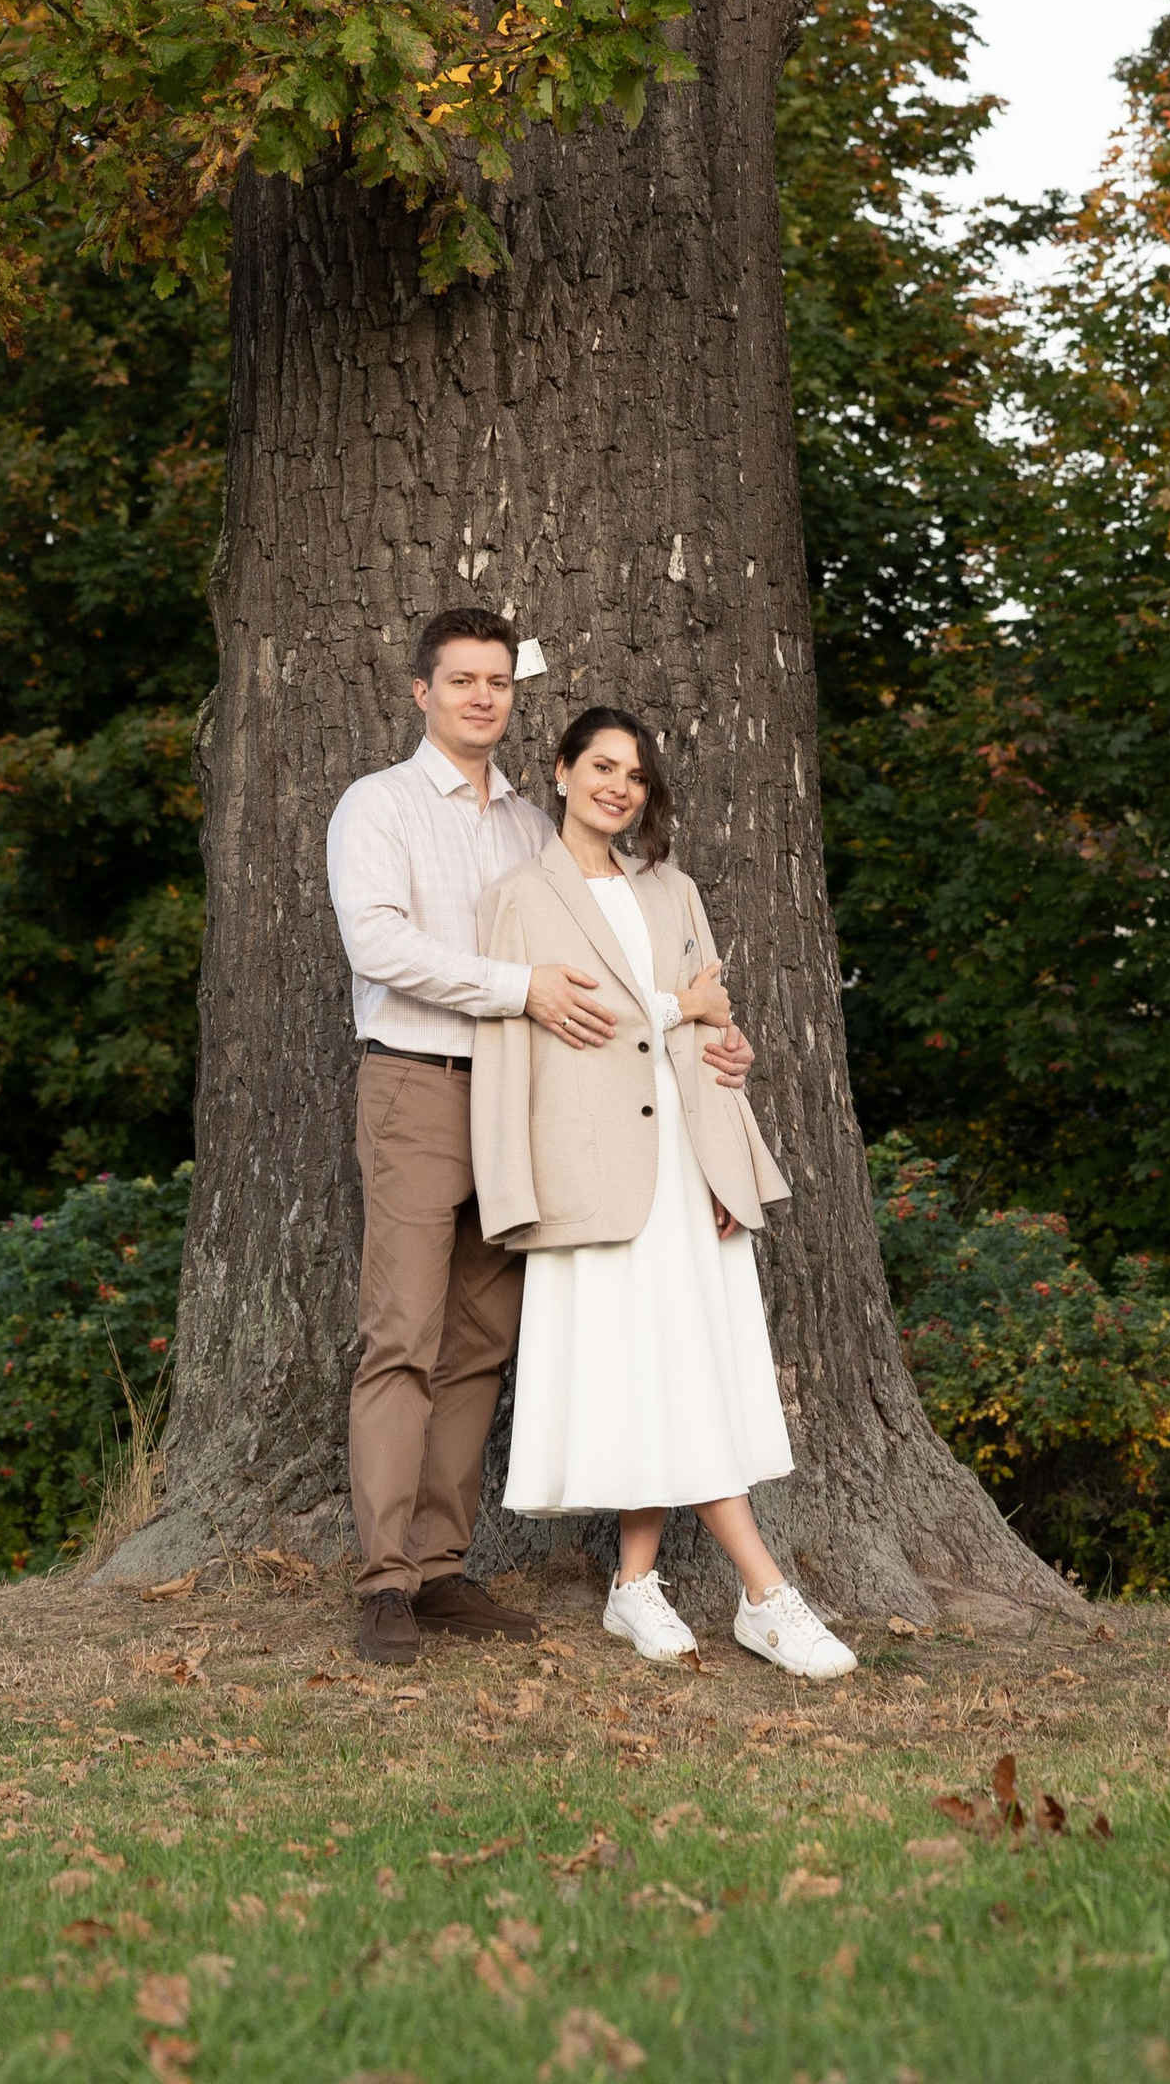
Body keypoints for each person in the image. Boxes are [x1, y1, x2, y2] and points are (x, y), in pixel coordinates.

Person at [324, 607, 755, 1668]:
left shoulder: (534, 827)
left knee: (480, 1342)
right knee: (401, 1336)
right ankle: (383, 1581)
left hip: (535, 1107)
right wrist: (517, 988)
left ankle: (438, 1567)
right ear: (421, 692)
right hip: (423, 1089)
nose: (481, 697)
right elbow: (378, 942)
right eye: (461, 680)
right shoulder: (373, 806)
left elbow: (613, 965)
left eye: (498, 683)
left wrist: (707, 1037)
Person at [469, 705, 857, 1680]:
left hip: (686, 1164)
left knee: (678, 1365)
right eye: (600, 766)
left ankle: (634, 1585)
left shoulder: (672, 889)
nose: (618, 787)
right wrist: (683, 1005)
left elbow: (706, 1041)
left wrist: (728, 1132)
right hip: (588, 1173)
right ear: (558, 772)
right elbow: (546, 1029)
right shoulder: (519, 897)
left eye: (635, 775)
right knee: (655, 1370)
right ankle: (766, 1595)